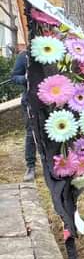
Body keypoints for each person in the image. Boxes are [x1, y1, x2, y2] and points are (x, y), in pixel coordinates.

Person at [11, 44, 36, 181]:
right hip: (30, 101)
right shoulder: (24, 56)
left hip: (50, 101)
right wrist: (25, 78)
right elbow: (14, 76)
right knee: (31, 133)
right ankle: (31, 166)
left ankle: (53, 163)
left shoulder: (53, 52)